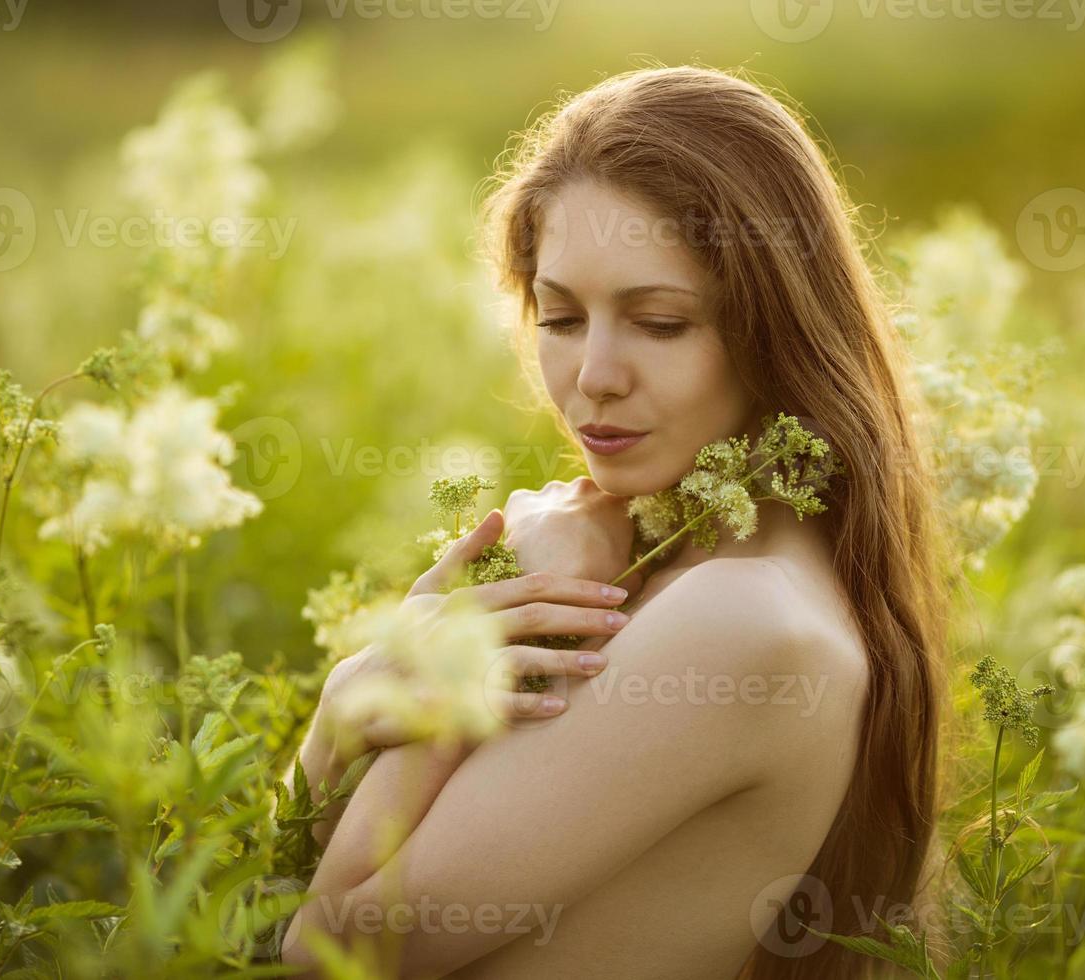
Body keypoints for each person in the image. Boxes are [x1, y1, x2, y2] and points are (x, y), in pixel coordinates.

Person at [282, 64, 951, 980]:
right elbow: (259, 901)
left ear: (777, 328)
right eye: (559, 317)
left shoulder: (744, 623)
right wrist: (346, 709)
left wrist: (438, 675)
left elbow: (317, 953)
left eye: (661, 322)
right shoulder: (663, 568)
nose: (594, 374)